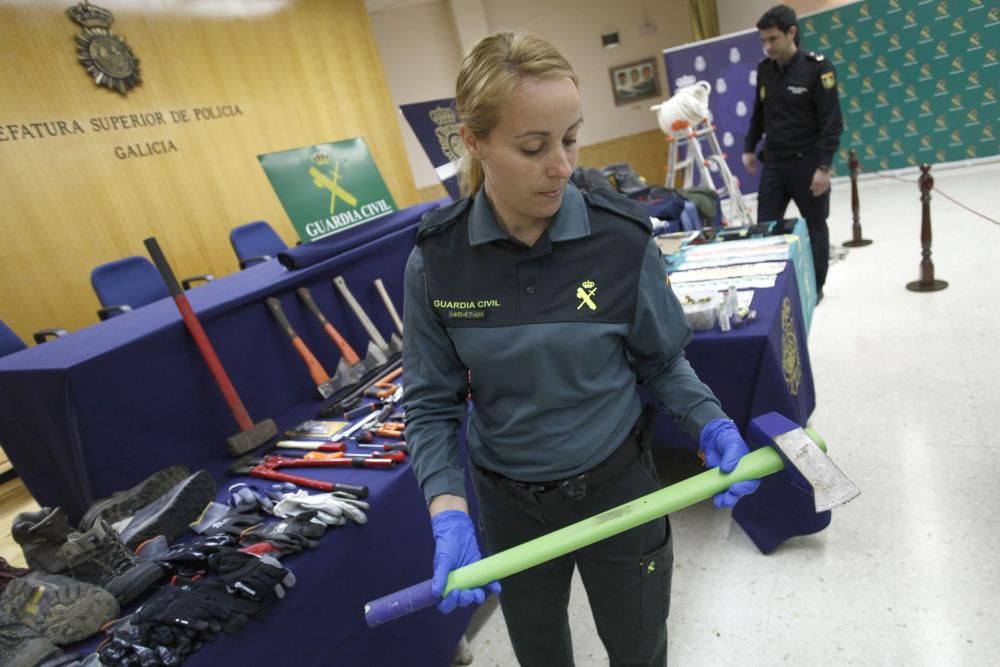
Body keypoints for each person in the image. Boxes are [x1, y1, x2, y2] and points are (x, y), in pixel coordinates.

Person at [403, 32, 760, 667]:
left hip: (620, 488)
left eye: (570, 138)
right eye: (534, 147)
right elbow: (432, 404)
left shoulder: (620, 238)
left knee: (640, 647)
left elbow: (661, 359)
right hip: (509, 505)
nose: (563, 166)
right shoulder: (437, 260)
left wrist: (710, 420)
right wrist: (448, 512)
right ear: (474, 142)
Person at [742, 4, 844, 300]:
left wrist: (823, 167)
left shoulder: (818, 69)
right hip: (774, 163)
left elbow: (832, 123)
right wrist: (749, 147)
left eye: (773, 39)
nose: (767, 46)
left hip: (808, 163)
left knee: (814, 227)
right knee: (766, 227)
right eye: (763, 40)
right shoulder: (765, 70)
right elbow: (758, 113)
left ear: (791, 33)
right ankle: (772, 286)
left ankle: (817, 287)